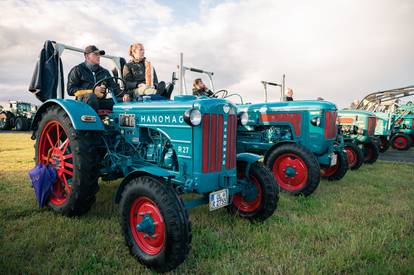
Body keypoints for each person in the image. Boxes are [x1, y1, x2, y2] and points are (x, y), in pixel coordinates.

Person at [67, 45, 117, 111]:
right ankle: (92, 120)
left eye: (99, 54)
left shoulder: (105, 72)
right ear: (87, 56)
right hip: (83, 102)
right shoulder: (77, 69)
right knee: (91, 96)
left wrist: (125, 96)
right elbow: (70, 90)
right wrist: (92, 91)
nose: (99, 56)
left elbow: (115, 88)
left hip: (100, 101)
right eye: (95, 54)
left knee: (121, 101)